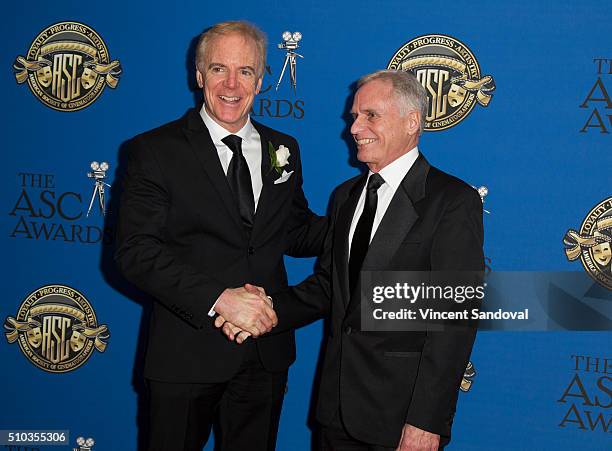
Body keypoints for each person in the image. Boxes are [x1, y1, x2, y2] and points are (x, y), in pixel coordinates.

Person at [220, 70, 484, 450]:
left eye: (370, 115)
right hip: (335, 412)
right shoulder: (345, 196)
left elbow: (454, 324)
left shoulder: (451, 202)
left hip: (399, 420)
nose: (354, 128)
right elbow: (330, 287)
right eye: (354, 117)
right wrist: (264, 311)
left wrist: (426, 421)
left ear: (412, 122)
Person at [115, 21, 326, 451]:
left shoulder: (283, 148)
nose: (232, 84)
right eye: (218, 69)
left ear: (262, 79)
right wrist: (220, 298)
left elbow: (295, 232)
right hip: (186, 353)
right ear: (198, 75)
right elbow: (136, 252)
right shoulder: (154, 150)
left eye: (245, 71)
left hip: (263, 355)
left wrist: (365, 211)